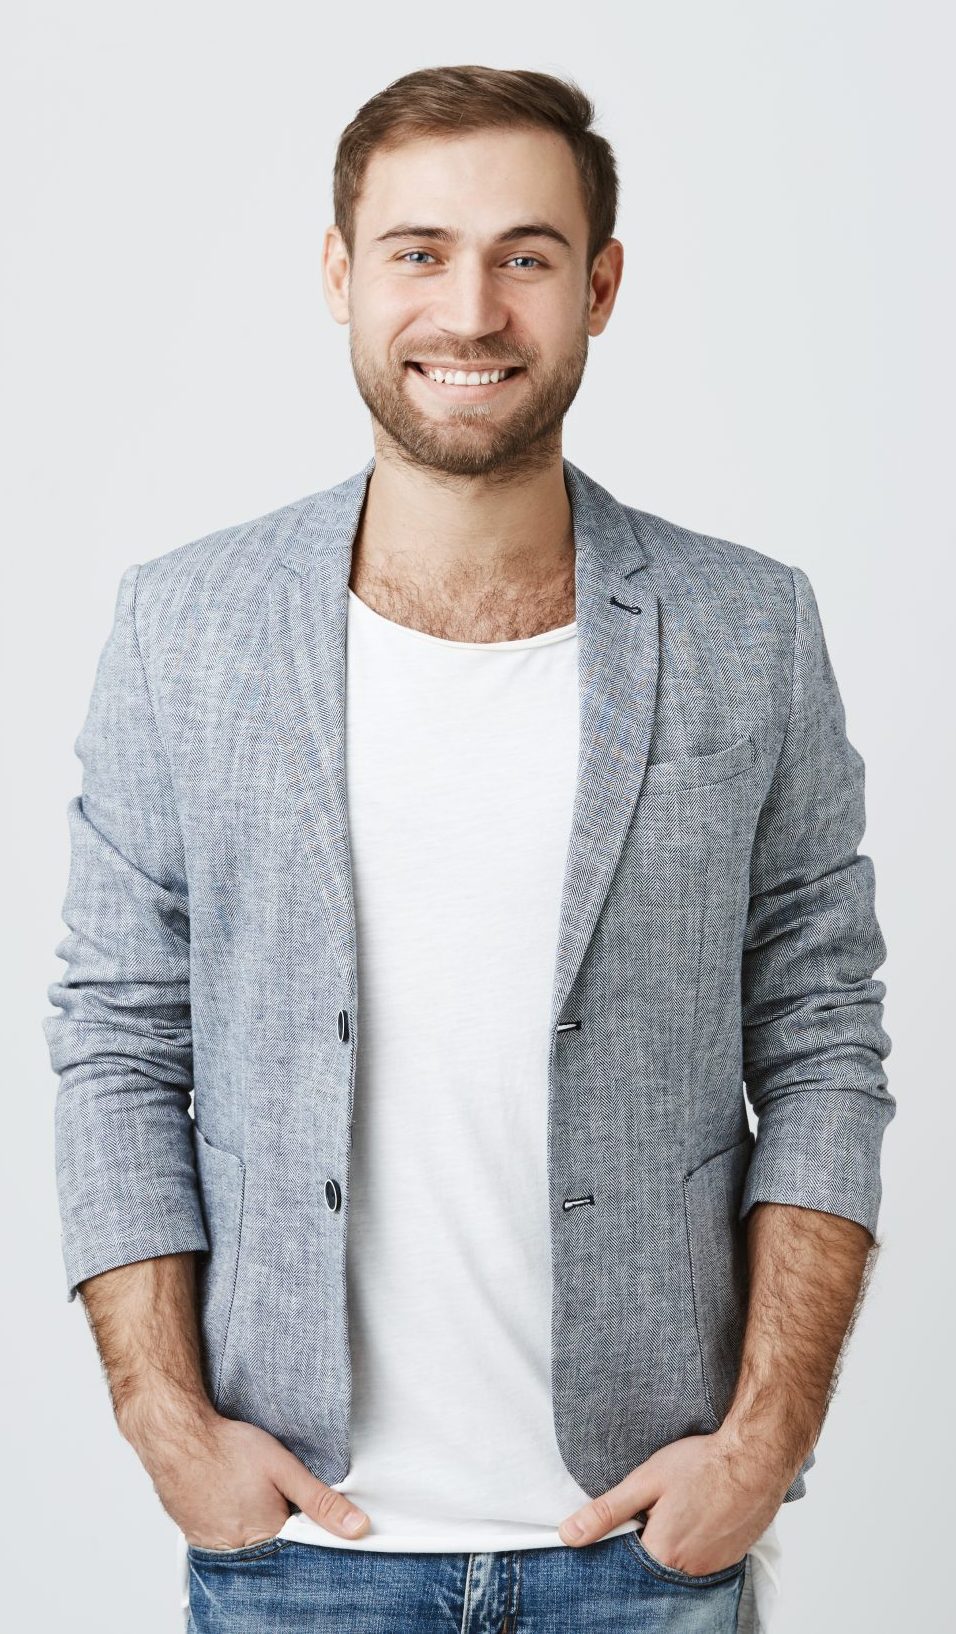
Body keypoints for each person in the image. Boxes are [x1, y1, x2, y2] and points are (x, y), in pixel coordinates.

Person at [43, 65, 894, 1634]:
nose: (473, 309)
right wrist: (165, 1422)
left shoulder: (749, 629)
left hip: (641, 1550)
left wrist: (764, 1442)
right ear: (340, 273)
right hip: (297, 1552)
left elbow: (825, 1042)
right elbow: (116, 1039)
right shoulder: (185, 627)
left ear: (601, 287)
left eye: (526, 254)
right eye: (419, 252)